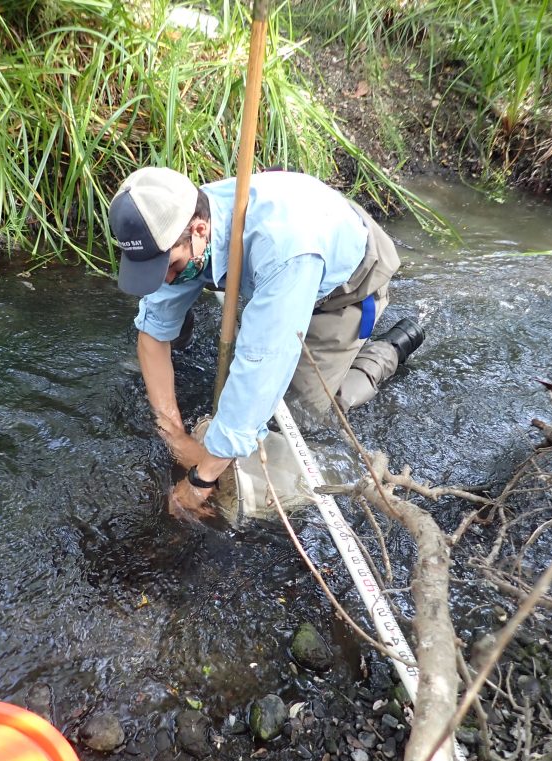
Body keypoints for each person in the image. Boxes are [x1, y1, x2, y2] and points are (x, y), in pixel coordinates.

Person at [109, 167, 424, 519]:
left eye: (171, 267)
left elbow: (262, 365)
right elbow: (152, 334)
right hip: (290, 258)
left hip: (346, 283)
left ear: (199, 230)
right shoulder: (173, 220)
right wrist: (174, 434)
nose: (164, 279)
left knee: (307, 415)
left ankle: (386, 352)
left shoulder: (282, 249)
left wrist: (201, 478)